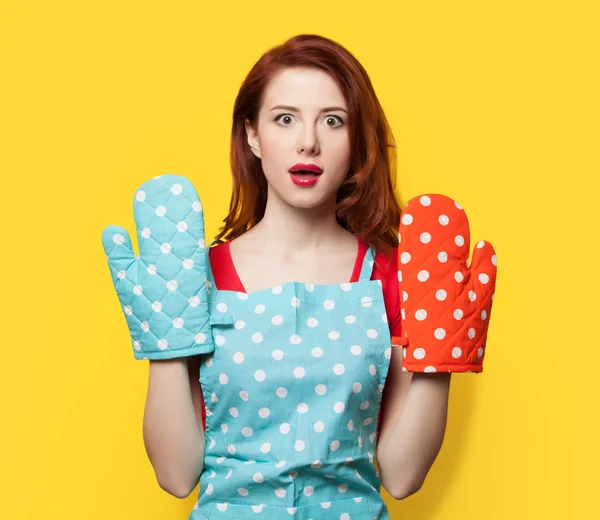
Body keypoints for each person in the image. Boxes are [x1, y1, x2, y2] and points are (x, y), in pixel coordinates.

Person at [143, 34, 453, 520]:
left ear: (356, 142)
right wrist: (163, 341)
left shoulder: (392, 275)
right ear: (252, 135)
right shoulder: (193, 278)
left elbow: (402, 475)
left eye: (333, 121)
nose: (308, 140)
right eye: (284, 118)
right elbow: (176, 475)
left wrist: (443, 354)